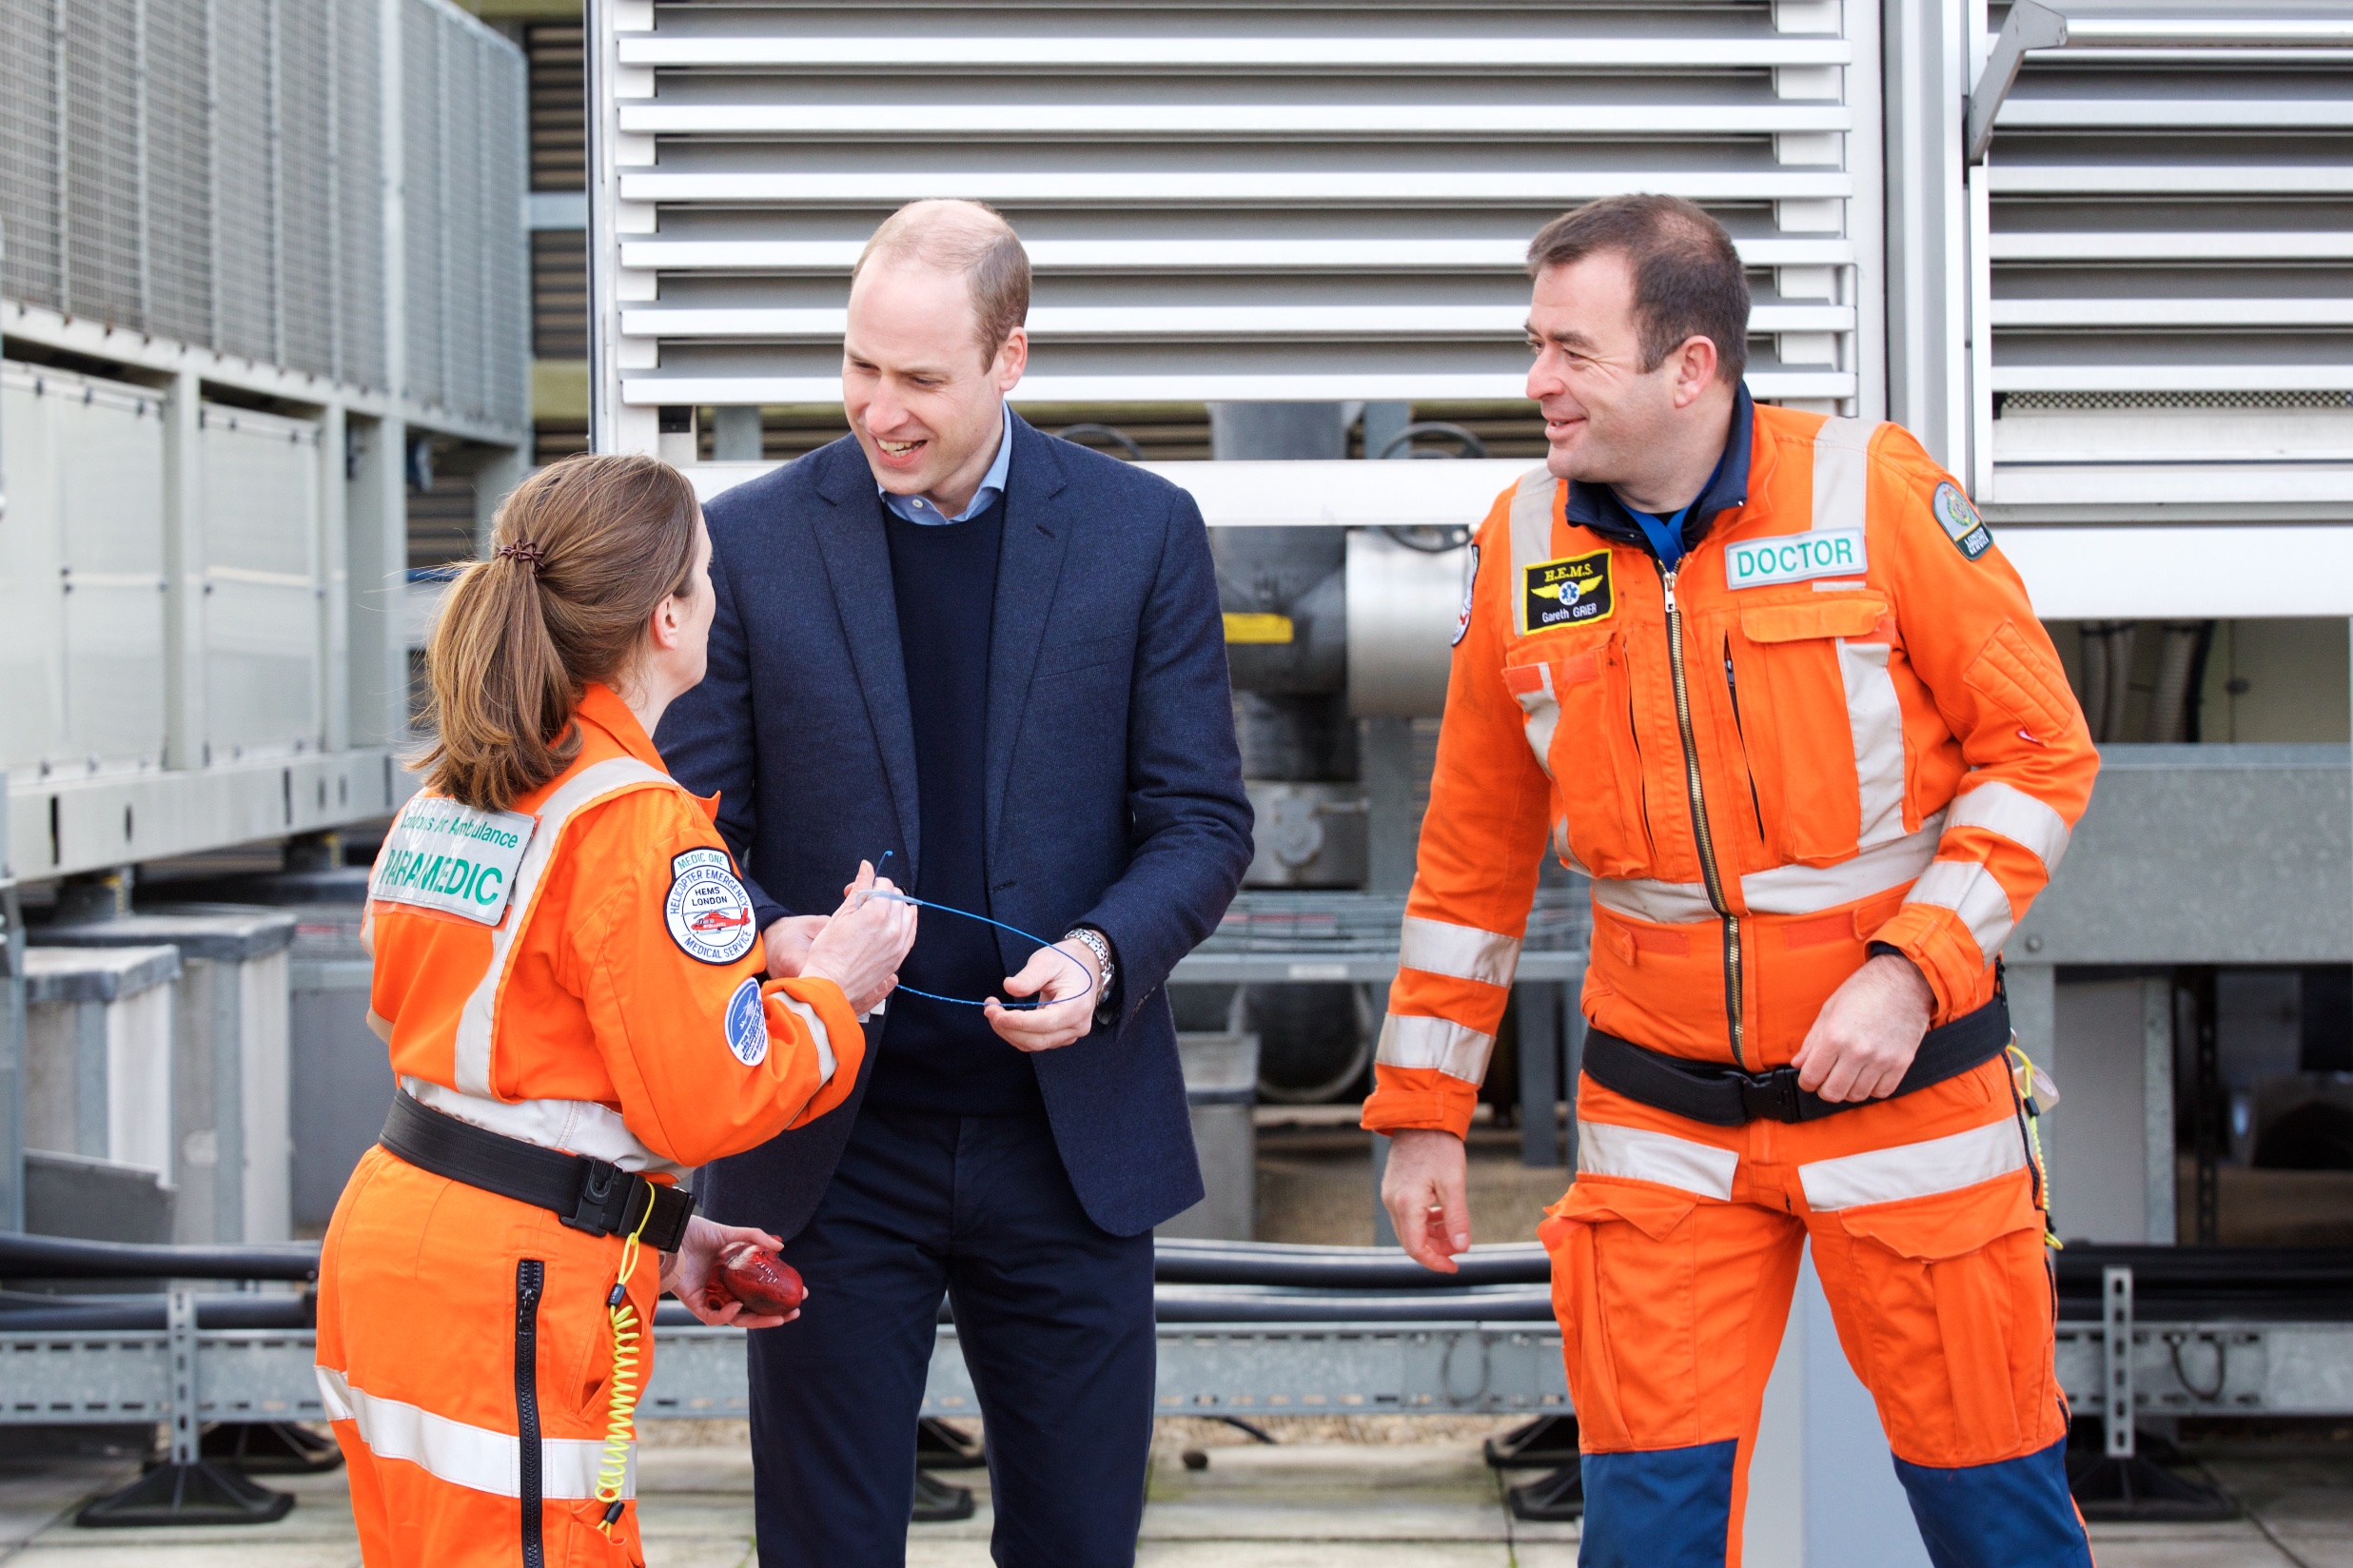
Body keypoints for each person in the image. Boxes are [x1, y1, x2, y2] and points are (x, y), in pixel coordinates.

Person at [1365, 196, 2101, 1567]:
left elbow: (2039, 752)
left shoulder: (1874, 494)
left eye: (1571, 351)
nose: (1534, 381)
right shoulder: (1519, 543)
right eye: (1534, 343)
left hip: (1911, 1100)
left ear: (1688, 366)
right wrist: (1423, 1114)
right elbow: (1471, 858)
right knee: (1645, 1530)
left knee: (1995, 1518)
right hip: (1662, 1128)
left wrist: (1910, 971)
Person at [657, 198, 1253, 1565]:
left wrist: (1099, 957)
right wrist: (784, 942)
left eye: (920, 377)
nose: (880, 409)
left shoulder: (1140, 532)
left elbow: (1201, 820)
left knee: (1077, 1543)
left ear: (1010, 356)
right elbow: (687, 842)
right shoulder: (744, 541)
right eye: (859, 365)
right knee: (825, 1546)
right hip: (826, 1144)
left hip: (1068, 1142)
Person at [315, 453, 918, 1567]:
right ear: (667, 619)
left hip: (403, 1240)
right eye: (706, 576)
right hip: (514, 1283)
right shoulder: (641, 823)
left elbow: (509, 1046)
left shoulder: (464, 784)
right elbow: (710, 1099)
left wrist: (656, 1227)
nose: (719, 598)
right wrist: (837, 989)